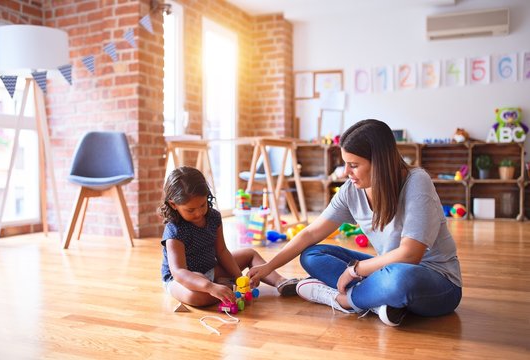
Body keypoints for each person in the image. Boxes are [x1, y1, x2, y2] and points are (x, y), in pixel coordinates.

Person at [248, 119, 462, 326]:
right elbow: (311, 233)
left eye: (353, 165)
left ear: (379, 163)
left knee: (399, 278)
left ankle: (344, 300)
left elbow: (409, 255)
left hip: (437, 281)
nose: (346, 172)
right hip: (386, 270)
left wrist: (354, 271)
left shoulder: (417, 182)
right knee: (312, 255)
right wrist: (269, 266)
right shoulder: (351, 191)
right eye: (345, 164)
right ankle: (378, 302)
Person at [159, 166, 299, 307]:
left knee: (250, 254)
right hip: (182, 280)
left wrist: (240, 279)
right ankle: (224, 288)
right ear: (173, 204)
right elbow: (179, 272)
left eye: (202, 205)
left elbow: (222, 252)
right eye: (190, 210)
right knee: (196, 297)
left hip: (211, 269)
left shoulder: (214, 217)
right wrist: (209, 287)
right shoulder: (174, 231)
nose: (198, 213)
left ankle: (280, 281)